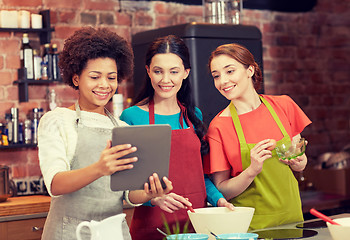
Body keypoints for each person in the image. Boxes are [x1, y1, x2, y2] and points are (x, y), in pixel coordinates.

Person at [38, 27, 173, 240]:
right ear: (76, 79)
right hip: (69, 233)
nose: (104, 85)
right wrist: (100, 168)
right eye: (94, 76)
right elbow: (55, 184)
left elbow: (129, 194)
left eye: (111, 77)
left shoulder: (122, 128)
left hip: (113, 233)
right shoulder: (57, 120)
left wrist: (150, 193)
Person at [120, 35, 234, 240]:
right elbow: (126, 189)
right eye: (158, 71)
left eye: (174, 71)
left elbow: (201, 177)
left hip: (196, 226)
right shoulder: (131, 117)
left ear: (185, 73)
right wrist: (152, 199)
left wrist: (219, 200)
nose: (166, 80)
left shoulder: (194, 116)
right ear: (148, 71)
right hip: (153, 228)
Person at [203, 43, 312, 230]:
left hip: (293, 217)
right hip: (251, 226)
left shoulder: (284, 105)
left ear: (250, 70)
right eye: (216, 76)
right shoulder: (218, 127)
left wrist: (298, 161)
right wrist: (251, 170)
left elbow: (301, 164)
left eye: (230, 71)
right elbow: (221, 189)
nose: (223, 81)